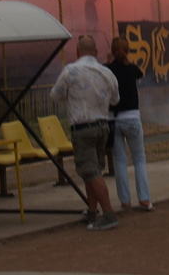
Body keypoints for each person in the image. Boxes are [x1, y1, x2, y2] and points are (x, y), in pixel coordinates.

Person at [51, 35, 120, 230]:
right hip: (103, 126)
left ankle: (108, 214)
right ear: (97, 52)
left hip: (83, 128)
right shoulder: (107, 73)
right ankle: (92, 212)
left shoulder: (70, 71)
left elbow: (55, 95)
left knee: (90, 171)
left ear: (77, 52)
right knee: (94, 170)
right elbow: (115, 99)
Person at [105, 37, 154, 211]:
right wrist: (128, 60)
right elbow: (140, 73)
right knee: (139, 159)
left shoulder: (107, 69)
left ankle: (125, 201)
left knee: (120, 161)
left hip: (113, 119)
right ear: (128, 51)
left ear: (111, 50)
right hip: (132, 117)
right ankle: (144, 198)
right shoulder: (132, 68)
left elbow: (104, 70)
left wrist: (108, 60)